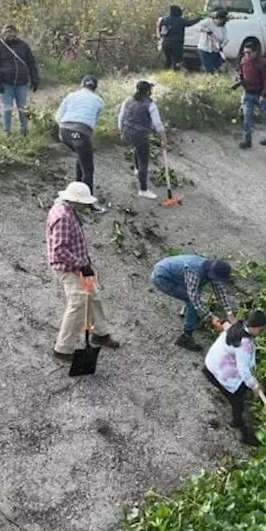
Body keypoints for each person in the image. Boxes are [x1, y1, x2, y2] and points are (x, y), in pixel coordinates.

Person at [45, 181, 120, 360]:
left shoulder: (68, 210)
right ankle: (63, 349)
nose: (86, 206)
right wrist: (81, 264)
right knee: (78, 303)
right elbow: (59, 250)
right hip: (69, 268)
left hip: (79, 264)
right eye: (84, 203)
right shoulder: (63, 217)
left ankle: (100, 334)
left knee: (93, 295)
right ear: (75, 201)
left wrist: (85, 263)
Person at [204, 309, 266, 446]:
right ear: (255, 327)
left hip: (211, 364)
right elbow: (243, 370)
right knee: (237, 400)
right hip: (220, 373)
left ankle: (240, 415)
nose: (263, 332)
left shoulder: (237, 325)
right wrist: (255, 386)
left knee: (244, 387)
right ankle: (239, 427)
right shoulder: (244, 344)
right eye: (262, 329)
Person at [151, 255, 236, 351]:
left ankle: (188, 314)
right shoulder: (195, 272)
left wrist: (229, 313)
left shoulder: (211, 267)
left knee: (194, 296)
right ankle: (186, 337)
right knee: (192, 303)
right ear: (212, 274)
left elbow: (219, 290)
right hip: (162, 277)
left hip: (174, 272)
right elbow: (195, 301)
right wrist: (212, 318)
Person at [56, 76, 107, 214]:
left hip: (64, 132)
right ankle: (89, 204)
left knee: (81, 158)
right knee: (88, 169)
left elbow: (58, 116)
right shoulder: (99, 101)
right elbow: (93, 122)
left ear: (81, 84)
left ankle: (74, 195)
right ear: (95, 87)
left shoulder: (71, 96)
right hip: (80, 133)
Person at [118, 80, 168, 200]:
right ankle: (143, 189)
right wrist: (164, 139)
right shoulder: (150, 105)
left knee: (137, 148)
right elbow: (157, 124)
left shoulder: (128, 101)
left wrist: (121, 131)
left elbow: (121, 116)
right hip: (140, 135)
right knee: (144, 162)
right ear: (148, 91)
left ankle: (136, 169)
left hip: (127, 131)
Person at [0, 24, 39, 136]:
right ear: (3, 33)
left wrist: (35, 78)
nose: (10, 35)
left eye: (12, 32)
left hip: (22, 82)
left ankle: (24, 131)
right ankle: (7, 132)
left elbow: (31, 62)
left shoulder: (23, 45)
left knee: (23, 109)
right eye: (7, 32)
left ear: (16, 33)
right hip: (5, 83)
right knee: (7, 109)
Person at [236, 45, 266, 148]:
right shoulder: (243, 60)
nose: (247, 55)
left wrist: (264, 94)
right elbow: (240, 72)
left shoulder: (262, 63)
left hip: (260, 94)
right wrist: (238, 78)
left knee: (265, 116)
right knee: (247, 117)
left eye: (249, 52)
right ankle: (247, 140)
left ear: (255, 52)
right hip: (248, 93)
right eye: (245, 53)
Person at [157, 5, 202, 70]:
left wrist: (161, 38)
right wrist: (198, 19)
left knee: (168, 60)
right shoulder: (180, 20)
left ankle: (165, 72)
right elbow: (189, 23)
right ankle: (176, 72)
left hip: (166, 43)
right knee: (177, 61)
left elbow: (160, 29)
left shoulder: (164, 19)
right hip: (177, 44)